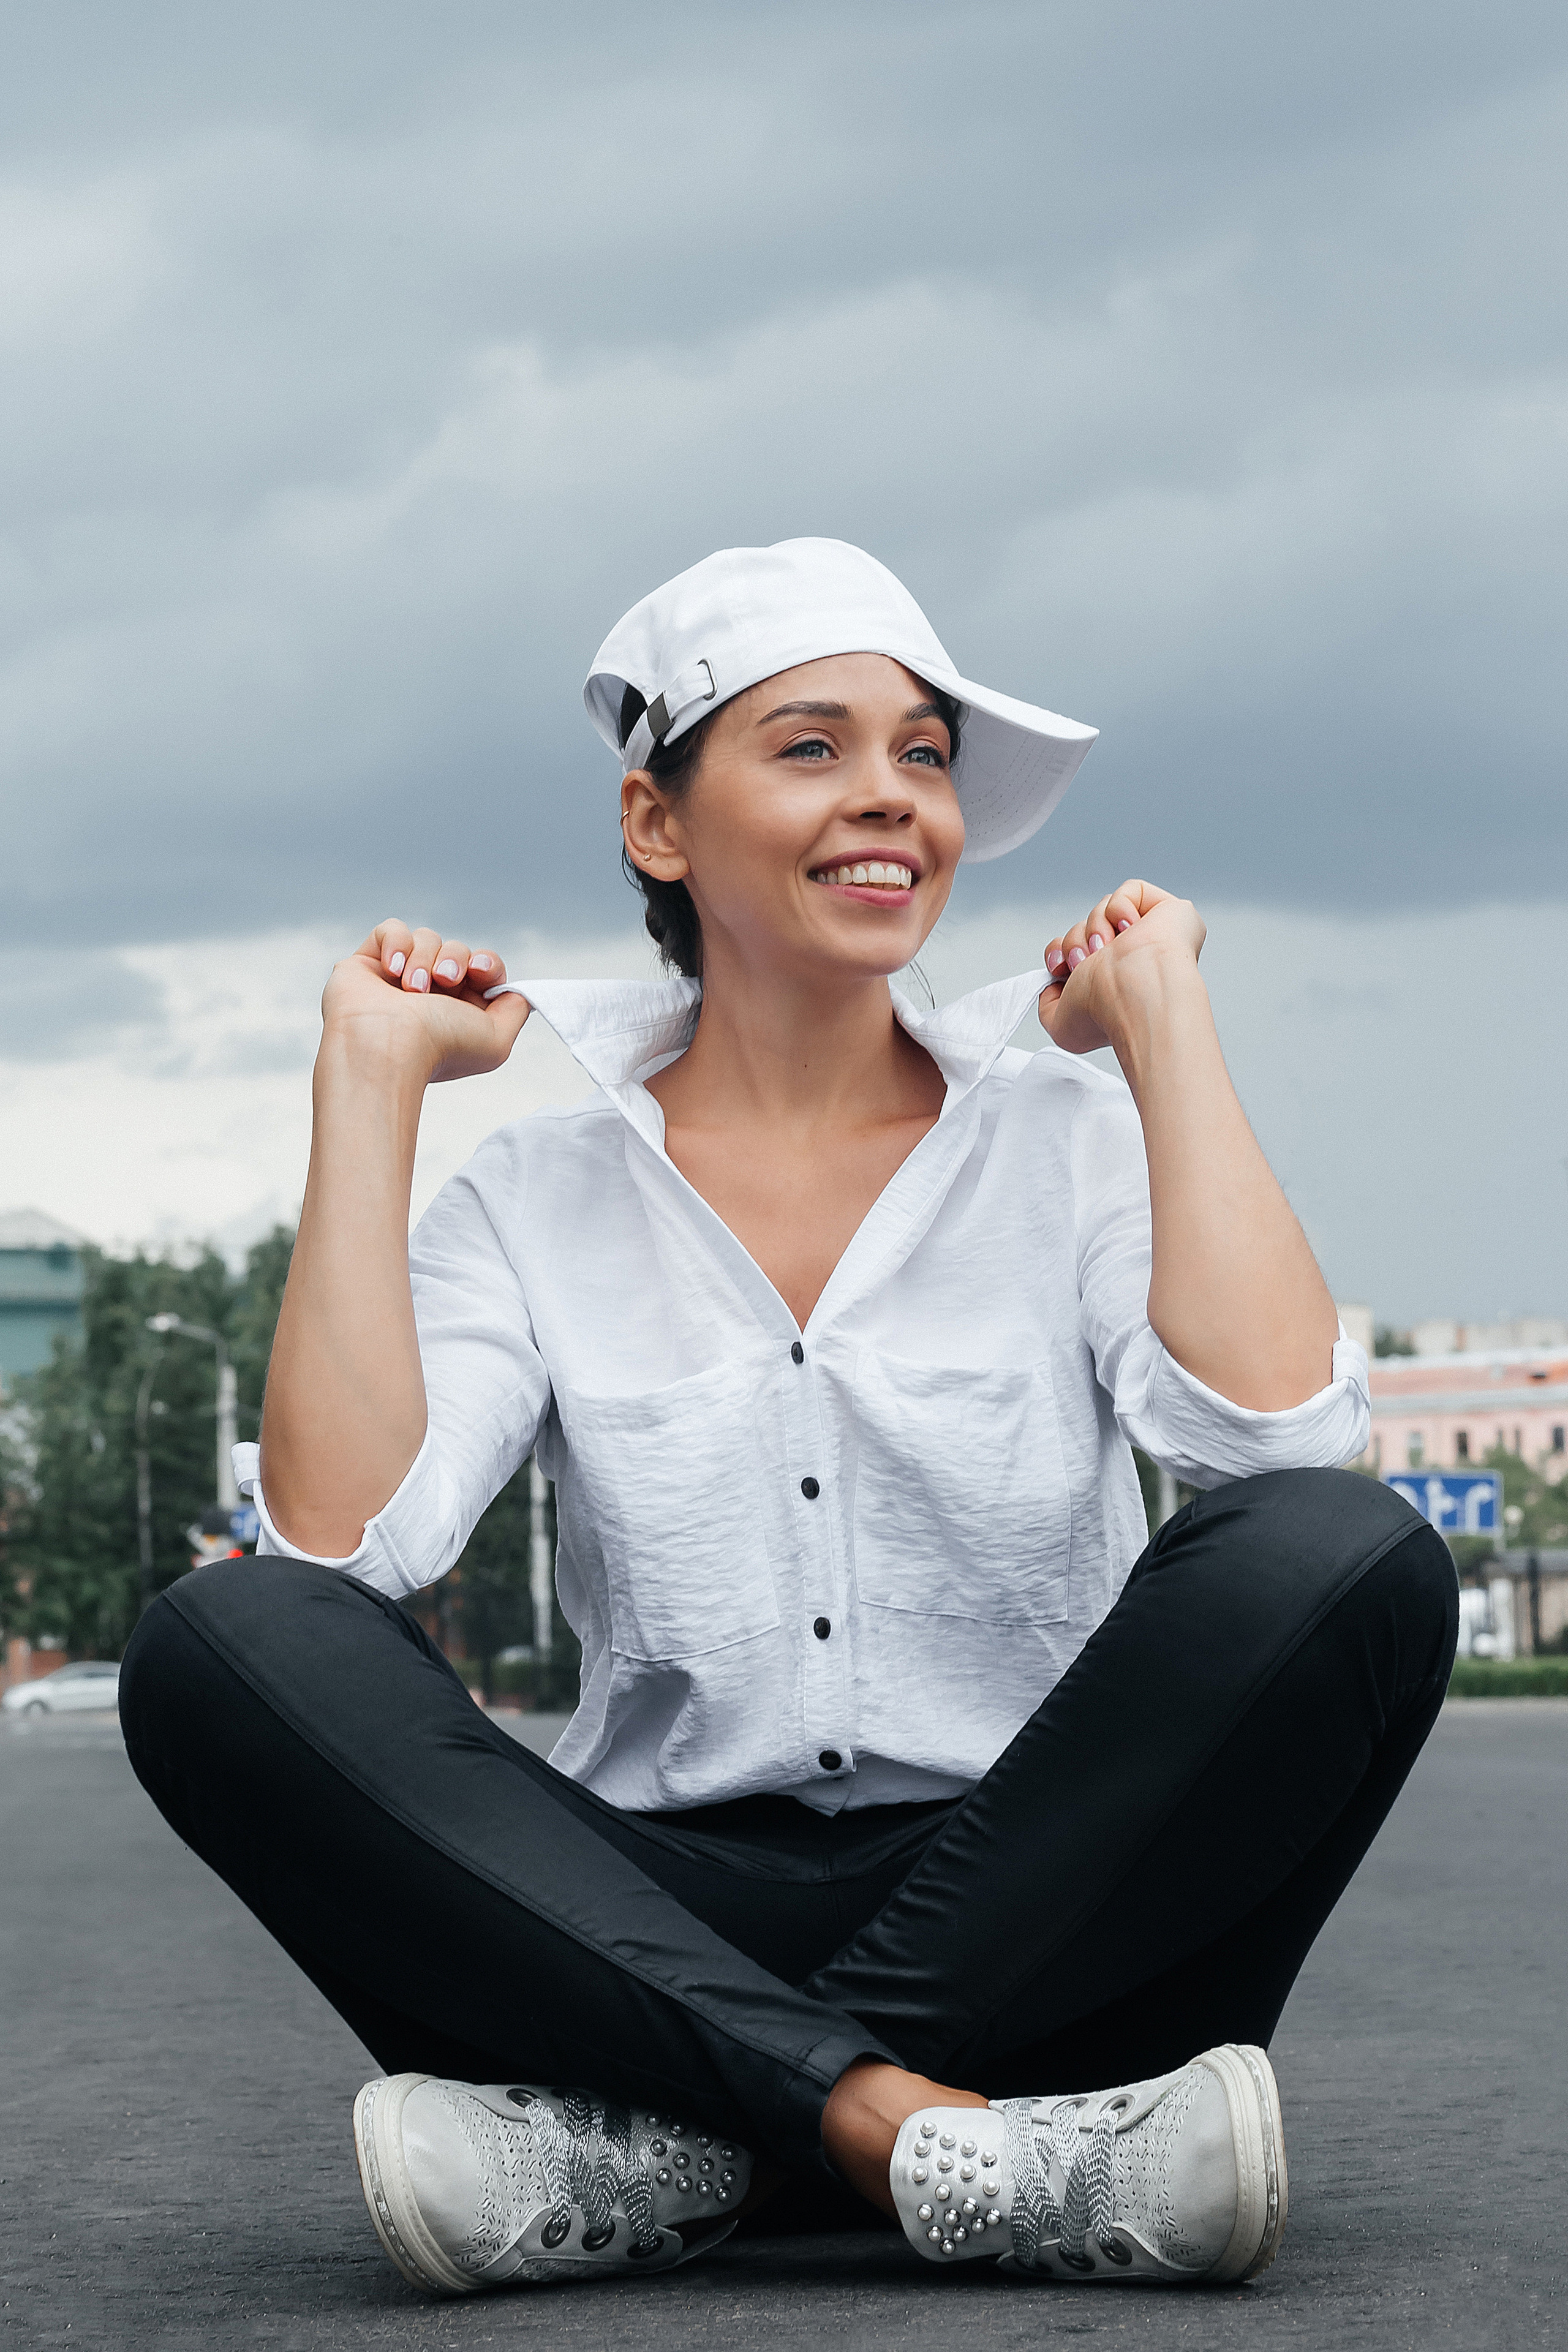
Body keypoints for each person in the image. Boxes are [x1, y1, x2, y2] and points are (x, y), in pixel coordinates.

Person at [121, 538, 1455, 2297]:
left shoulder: (1064, 1141)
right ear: (656, 823)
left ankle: (688, 2154)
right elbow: (341, 1545)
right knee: (223, 1641)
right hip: (645, 1921)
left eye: (924, 756)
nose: (891, 796)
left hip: (1060, 1898)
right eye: (812, 747)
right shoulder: (535, 1198)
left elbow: (1277, 1449)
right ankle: (930, 2142)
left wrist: (1167, 1032)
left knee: (1347, 1553)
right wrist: (367, 1088)